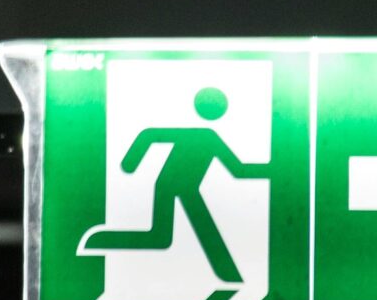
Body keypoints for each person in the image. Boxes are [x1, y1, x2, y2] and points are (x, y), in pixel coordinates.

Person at [83, 86, 267, 283]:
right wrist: (130, 163)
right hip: (169, 186)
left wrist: (270, 170)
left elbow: (237, 169)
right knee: (162, 237)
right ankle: (229, 275)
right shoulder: (208, 137)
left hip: (185, 188)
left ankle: (229, 275)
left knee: (162, 236)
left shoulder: (210, 138)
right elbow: (151, 135)